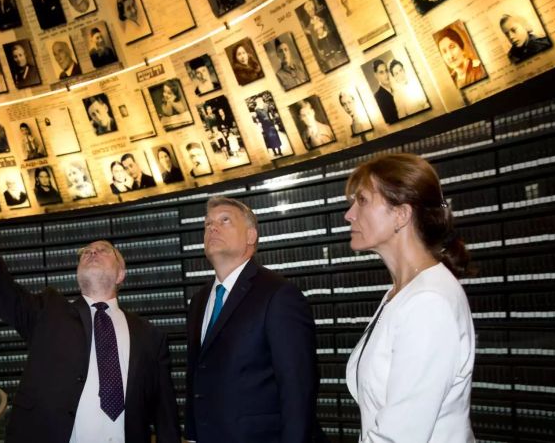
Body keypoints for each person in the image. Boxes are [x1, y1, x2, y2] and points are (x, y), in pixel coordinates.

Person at [0, 159, 181, 442]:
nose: (91, 252)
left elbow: (166, 418)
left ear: (121, 273)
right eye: (85, 251)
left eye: (102, 250)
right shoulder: (47, 312)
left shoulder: (150, 336)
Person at [343, 153, 475, 441]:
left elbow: (400, 436)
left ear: (401, 215)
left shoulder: (428, 303)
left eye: (362, 201)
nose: (349, 214)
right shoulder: (400, 293)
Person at [185, 196, 318, 442]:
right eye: (207, 224)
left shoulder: (278, 295)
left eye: (225, 220)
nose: (212, 227)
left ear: (250, 236)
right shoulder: (199, 301)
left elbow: (297, 388)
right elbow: (198, 373)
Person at [371, 59, 399, 124]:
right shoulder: (377, 97)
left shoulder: (396, 88)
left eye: (386, 71)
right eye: (381, 72)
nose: (386, 75)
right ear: (376, 75)